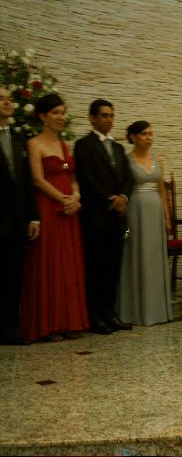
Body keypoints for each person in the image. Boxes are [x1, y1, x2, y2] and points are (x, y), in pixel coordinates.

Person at [20, 94, 89, 342]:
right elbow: (37, 180)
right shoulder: (34, 143)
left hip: (69, 210)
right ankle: (47, 325)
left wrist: (76, 196)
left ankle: (68, 322)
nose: (61, 117)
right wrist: (62, 199)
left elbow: (73, 178)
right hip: (48, 207)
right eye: (55, 113)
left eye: (63, 112)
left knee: (68, 264)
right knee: (48, 263)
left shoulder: (64, 146)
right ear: (43, 116)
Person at [74, 99, 134, 334]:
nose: (109, 120)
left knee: (112, 267)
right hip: (96, 215)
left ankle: (110, 313)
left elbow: (128, 178)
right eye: (104, 115)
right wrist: (110, 199)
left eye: (111, 115)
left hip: (117, 217)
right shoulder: (83, 145)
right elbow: (87, 179)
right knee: (96, 268)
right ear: (92, 118)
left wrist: (124, 198)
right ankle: (95, 316)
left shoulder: (118, 148)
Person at [116, 121, 172, 326]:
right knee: (136, 254)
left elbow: (162, 189)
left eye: (150, 133)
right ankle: (134, 311)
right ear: (133, 137)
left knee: (154, 256)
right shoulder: (126, 159)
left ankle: (157, 311)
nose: (149, 137)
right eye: (144, 134)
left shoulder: (157, 159)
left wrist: (167, 216)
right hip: (135, 211)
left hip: (155, 211)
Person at [0, 86, 39, 345]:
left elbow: (26, 181)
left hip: (17, 220)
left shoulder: (18, 137)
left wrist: (33, 216)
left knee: (14, 276)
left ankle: (9, 329)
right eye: (0, 99)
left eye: (8, 99)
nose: (7, 103)